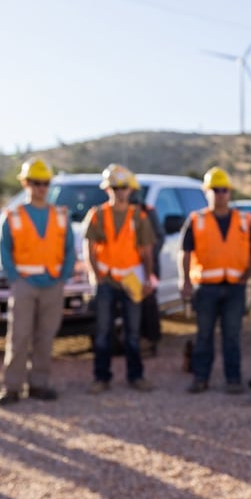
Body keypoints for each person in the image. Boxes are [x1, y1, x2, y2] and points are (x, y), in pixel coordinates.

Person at [0, 158, 75, 405]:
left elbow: (69, 249)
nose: (41, 187)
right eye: (36, 183)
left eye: (45, 183)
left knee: (45, 336)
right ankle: (12, 387)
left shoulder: (60, 215)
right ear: (26, 184)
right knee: (18, 336)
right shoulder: (13, 215)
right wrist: (15, 278)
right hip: (24, 284)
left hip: (52, 284)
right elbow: (3, 249)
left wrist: (62, 277)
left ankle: (39, 384)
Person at [179, 167, 251, 394]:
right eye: (215, 190)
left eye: (224, 190)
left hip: (235, 288)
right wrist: (185, 282)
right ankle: (200, 379)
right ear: (207, 192)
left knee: (232, 336)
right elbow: (184, 252)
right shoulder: (196, 220)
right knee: (204, 335)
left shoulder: (243, 219)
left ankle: (233, 380)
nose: (220, 194)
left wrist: (249, 274)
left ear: (230, 193)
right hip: (206, 288)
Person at [82, 163, 157, 393]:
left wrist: (148, 279)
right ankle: (101, 378)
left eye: (124, 187)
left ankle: (136, 376)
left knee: (132, 333)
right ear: (108, 189)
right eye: (115, 187)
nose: (120, 191)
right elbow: (90, 248)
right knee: (103, 333)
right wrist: (96, 275)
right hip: (106, 281)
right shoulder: (97, 215)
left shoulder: (139, 216)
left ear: (130, 189)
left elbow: (146, 251)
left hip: (131, 280)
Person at [129, 172, 165, 356]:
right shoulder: (115, 213)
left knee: (148, 304)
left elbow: (159, 238)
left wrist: (146, 256)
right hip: (127, 270)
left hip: (148, 268)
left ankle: (151, 341)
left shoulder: (148, 212)